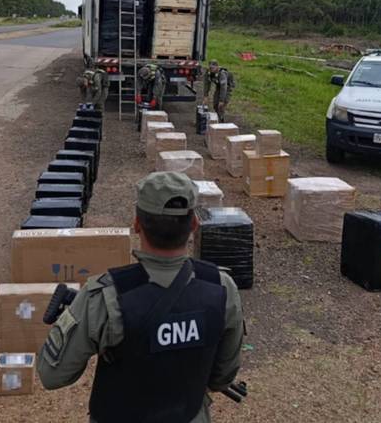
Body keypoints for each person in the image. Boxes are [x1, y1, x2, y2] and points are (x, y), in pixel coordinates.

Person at [37, 172, 244, 423]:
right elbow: (222, 376)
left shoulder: (104, 296)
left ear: (136, 224)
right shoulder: (222, 287)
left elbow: (52, 375)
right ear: (194, 225)